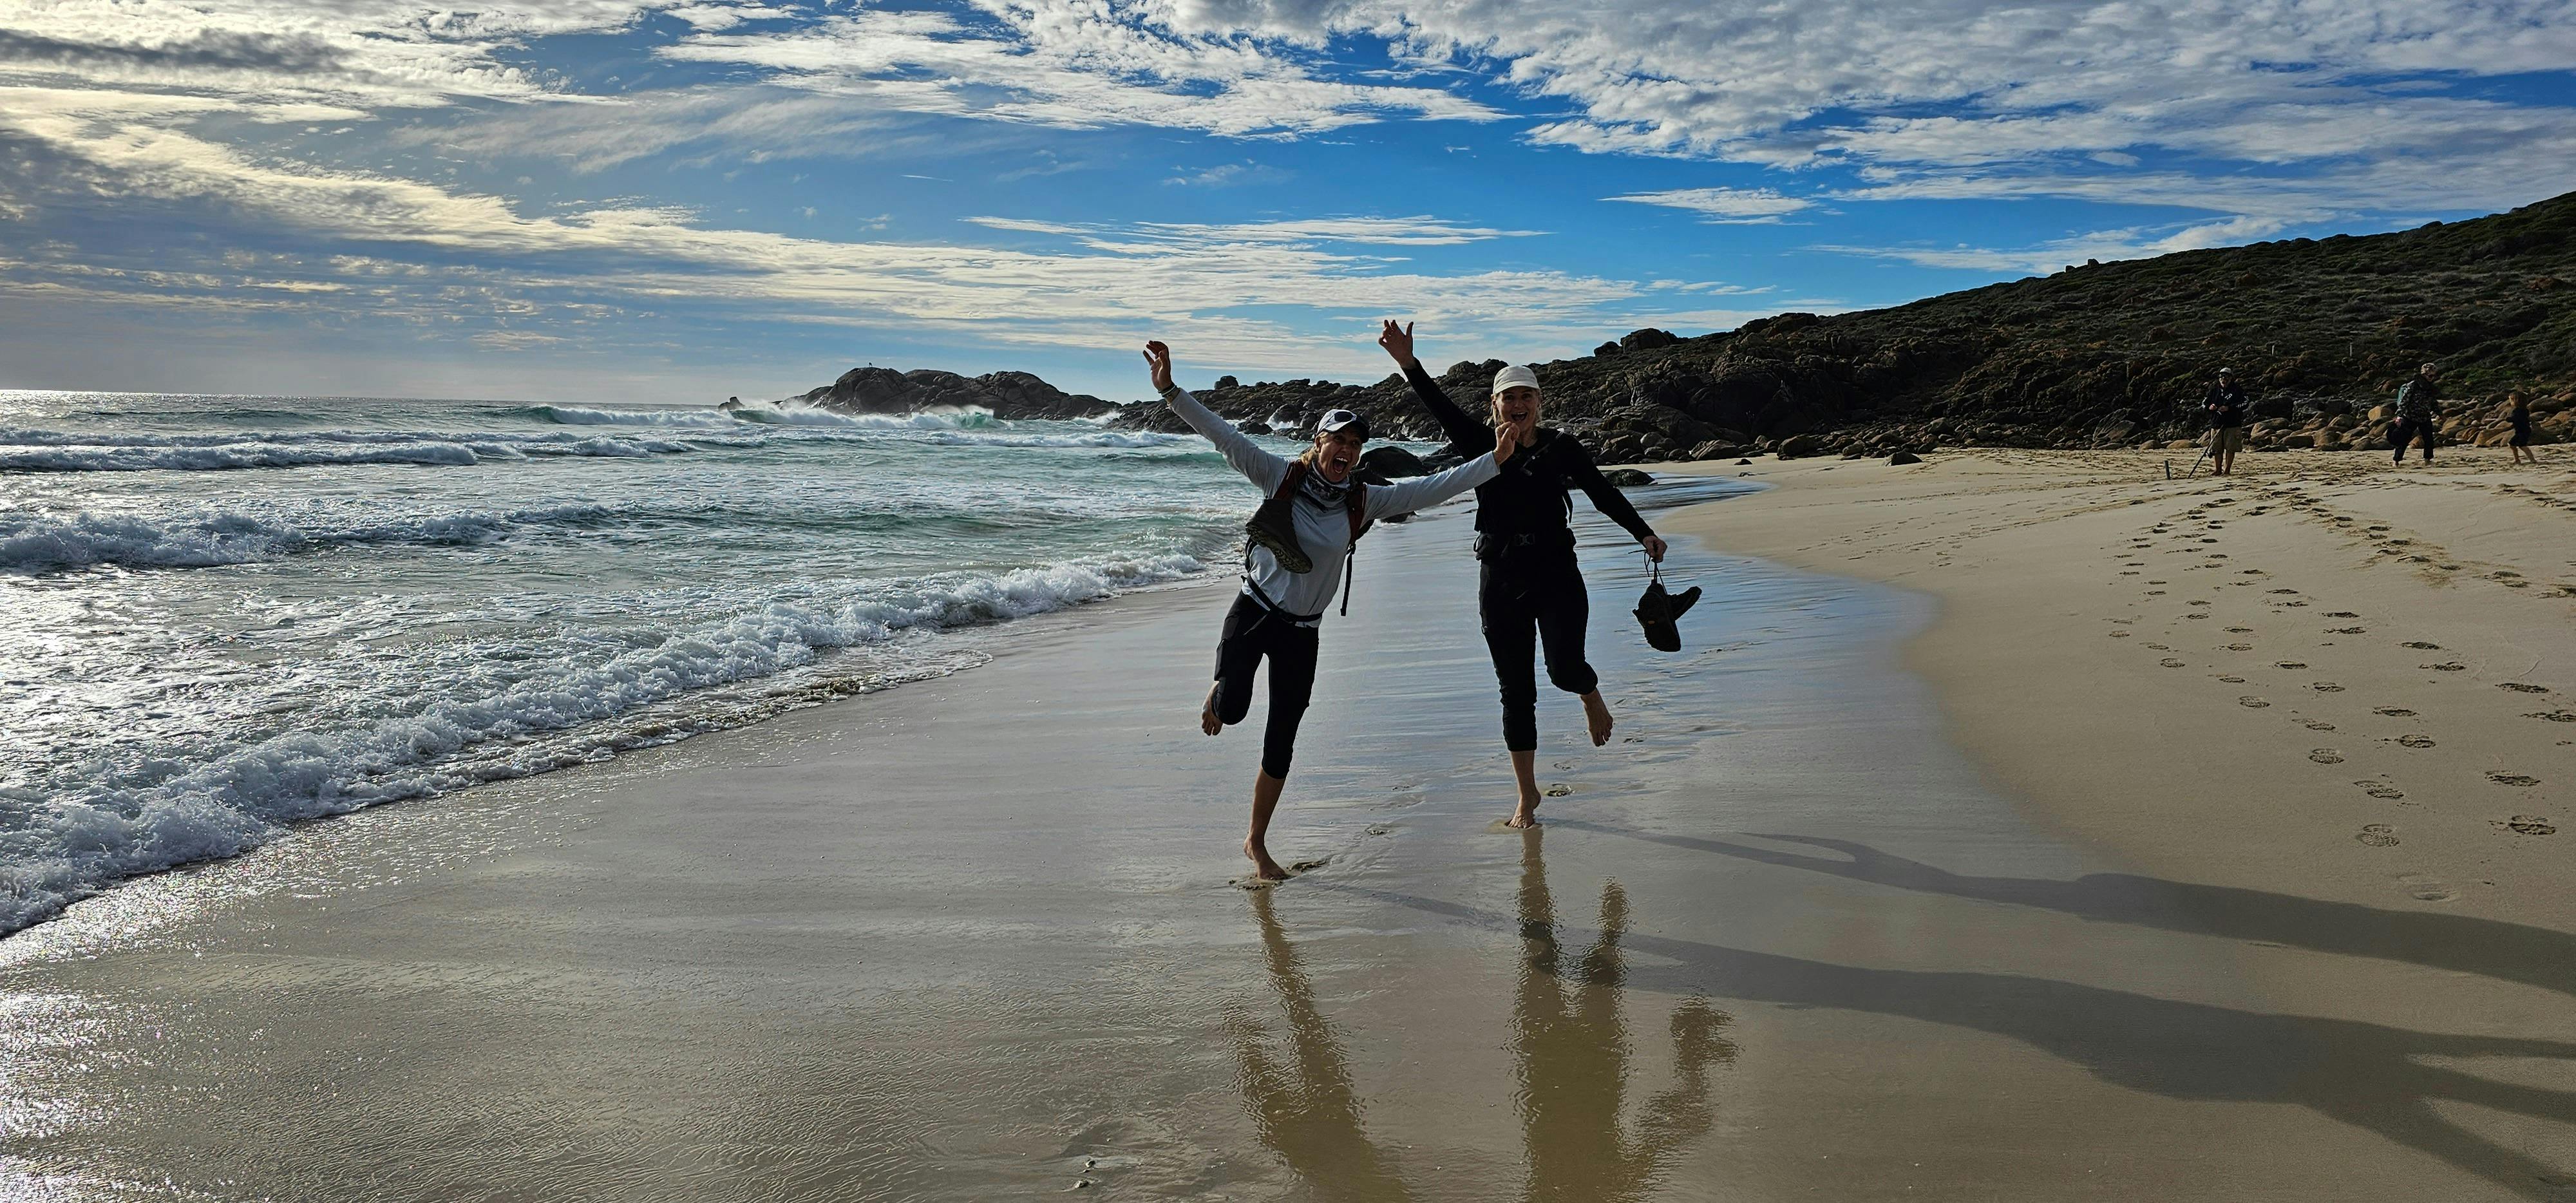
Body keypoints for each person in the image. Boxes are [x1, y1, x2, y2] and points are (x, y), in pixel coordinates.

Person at [1143, 340, 1524, 882]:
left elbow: (1434, 487)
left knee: (1283, 740)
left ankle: (1256, 842)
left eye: (1354, 444)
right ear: (1316, 442)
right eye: (1336, 440)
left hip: (1303, 632)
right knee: (1230, 713)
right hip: (1254, 610)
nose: (1345, 450)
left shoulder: (1363, 500)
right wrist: (1170, 392)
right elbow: (1223, 435)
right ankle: (1222, 686)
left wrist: (1494, 463)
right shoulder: (1281, 477)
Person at [1378, 320, 1669, 829]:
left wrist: (1642, 532)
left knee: (1563, 668)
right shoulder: (1480, 445)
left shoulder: (1562, 447)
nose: (1517, 405)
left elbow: (1603, 494)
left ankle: (1588, 692)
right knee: (1515, 689)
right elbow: (1438, 405)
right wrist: (1408, 362)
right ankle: (1526, 795)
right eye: (1507, 398)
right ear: (1494, 405)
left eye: (1526, 397)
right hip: (1500, 576)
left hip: (1557, 571)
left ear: (1540, 403)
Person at [2391, 363, 2442, 465]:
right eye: (2430, 376)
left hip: (2425, 416)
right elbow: (2404, 402)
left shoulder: (2431, 388)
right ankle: (2396, 461)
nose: (2432, 378)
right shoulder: (2413, 385)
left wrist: (2440, 414)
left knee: (2429, 439)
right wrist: (2399, 416)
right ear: (2424, 374)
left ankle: (2427, 460)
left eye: (2434, 376)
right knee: (2404, 440)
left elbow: (2433, 402)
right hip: (2410, 416)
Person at [2202, 368, 2248, 477]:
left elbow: (2245, 402)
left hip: (2232, 423)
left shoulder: (2237, 389)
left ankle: (2227, 470)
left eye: (2226, 378)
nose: (2224, 380)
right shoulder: (2214, 390)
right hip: (2217, 423)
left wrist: (2229, 408)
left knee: (2230, 448)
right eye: (2222, 378)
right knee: (2217, 449)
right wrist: (2210, 407)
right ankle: (2218, 470)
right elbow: (2205, 403)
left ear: (2231, 378)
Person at [2506, 391, 2539, 466]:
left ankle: (2532, 460)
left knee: (2522, 446)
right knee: (2512, 444)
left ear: (2516, 401)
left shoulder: (2517, 411)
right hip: (2523, 430)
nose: (2510, 403)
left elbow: (2516, 419)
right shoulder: (2525, 410)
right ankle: (2517, 460)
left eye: (2511, 401)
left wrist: (2508, 419)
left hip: (2522, 431)